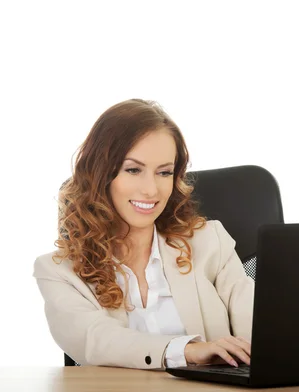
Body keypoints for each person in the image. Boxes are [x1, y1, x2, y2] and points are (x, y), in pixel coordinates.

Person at [33, 99, 254, 370]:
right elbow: (95, 342)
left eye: (164, 172)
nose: (151, 190)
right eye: (133, 170)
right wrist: (186, 351)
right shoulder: (58, 271)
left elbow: (257, 326)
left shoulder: (210, 242)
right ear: (101, 174)